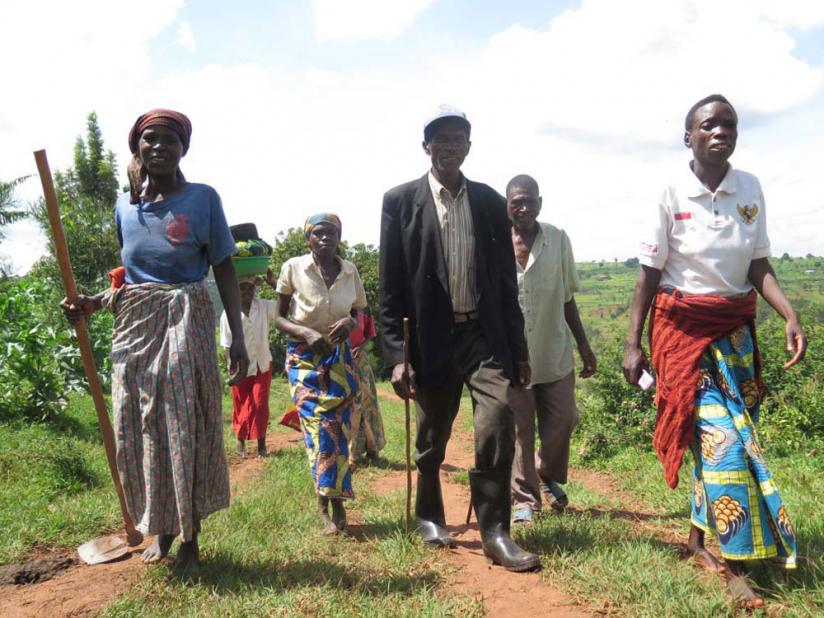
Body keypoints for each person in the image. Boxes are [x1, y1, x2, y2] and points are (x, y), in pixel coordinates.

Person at [622, 94, 806, 609]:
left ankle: (698, 539)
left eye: (729, 124)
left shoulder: (749, 188)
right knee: (724, 442)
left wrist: (788, 313)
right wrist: (632, 343)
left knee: (726, 437)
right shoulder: (668, 190)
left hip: (735, 332)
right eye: (709, 125)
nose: (720, 131)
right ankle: (737, 569)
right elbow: (649, 274)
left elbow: (757, 264)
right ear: (689, 137)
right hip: (682, 335)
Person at [60, 108, 249, 573]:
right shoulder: (125, 207)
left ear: (184, 149)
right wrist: (89, 302)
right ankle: (160, 529)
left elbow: (223, 266)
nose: (160, 147)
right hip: (134, 327)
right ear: (137, 147)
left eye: (170, 140)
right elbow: (132, 280)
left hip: (187, 319)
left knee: (183, 422)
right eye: (150, 140)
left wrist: (238, 336)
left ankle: (189, 537)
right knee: (138, 427)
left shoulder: (203, 199)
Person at [379, 105, 540, 572]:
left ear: (469, 146)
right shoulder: (399, 201)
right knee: (432, 434)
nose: (450, 147)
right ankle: (429, 515)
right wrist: (396, 354)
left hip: (482, 335)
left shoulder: (490, 202)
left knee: (497, 421)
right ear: (425, 145)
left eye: (459, 139)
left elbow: (505, 283)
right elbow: (391, 285)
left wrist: (519, 350)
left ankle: (495, 532)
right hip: (430, 338)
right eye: (441, 139)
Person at [505, 175, 597, 524]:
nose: (523, 208)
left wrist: (584, 343)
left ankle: (545, 474)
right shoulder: (497, 242)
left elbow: (568, 297)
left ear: (540, 203)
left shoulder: (557, 239)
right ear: (507, 205)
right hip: (514, 358)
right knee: (520, 429)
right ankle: (524, 500)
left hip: (553, 351)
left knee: (563, 419)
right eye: (516, 202)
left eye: (529, 201)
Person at [274, 213, 367, 535]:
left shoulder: (349, 270)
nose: (325, 239)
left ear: (339, 237)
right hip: (304, 357)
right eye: (318, 234)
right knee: (316, 427)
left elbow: (358, 310)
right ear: (308, 239)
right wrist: (305, 333)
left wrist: (351, 323)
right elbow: (278, 317)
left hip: (338, 358)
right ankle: (325, 504)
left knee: (339, 428)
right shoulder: (293, 268)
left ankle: (336, 500)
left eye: (331, 233)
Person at [220, 269, 279, 459]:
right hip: (240, 368)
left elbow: (287, 306)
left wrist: (274, 284)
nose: (247, 292)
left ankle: (261, 445)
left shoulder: (263, 307)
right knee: (241, 404)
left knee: (260, 403)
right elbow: (227, 345)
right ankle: (240, 441)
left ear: (255, 289)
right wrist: (232, 369)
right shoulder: (228, 314)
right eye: (242, 288)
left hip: (262, 364)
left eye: (250, 288)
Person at [348, 309, 386, 467]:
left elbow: (370, 333)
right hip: (340, 361)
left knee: (367, 404)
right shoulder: (336, 307)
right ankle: (351, 454)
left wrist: (360, 347)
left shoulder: (364, 311)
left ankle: (372, 447)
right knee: (351, 407)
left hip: (360, 362)